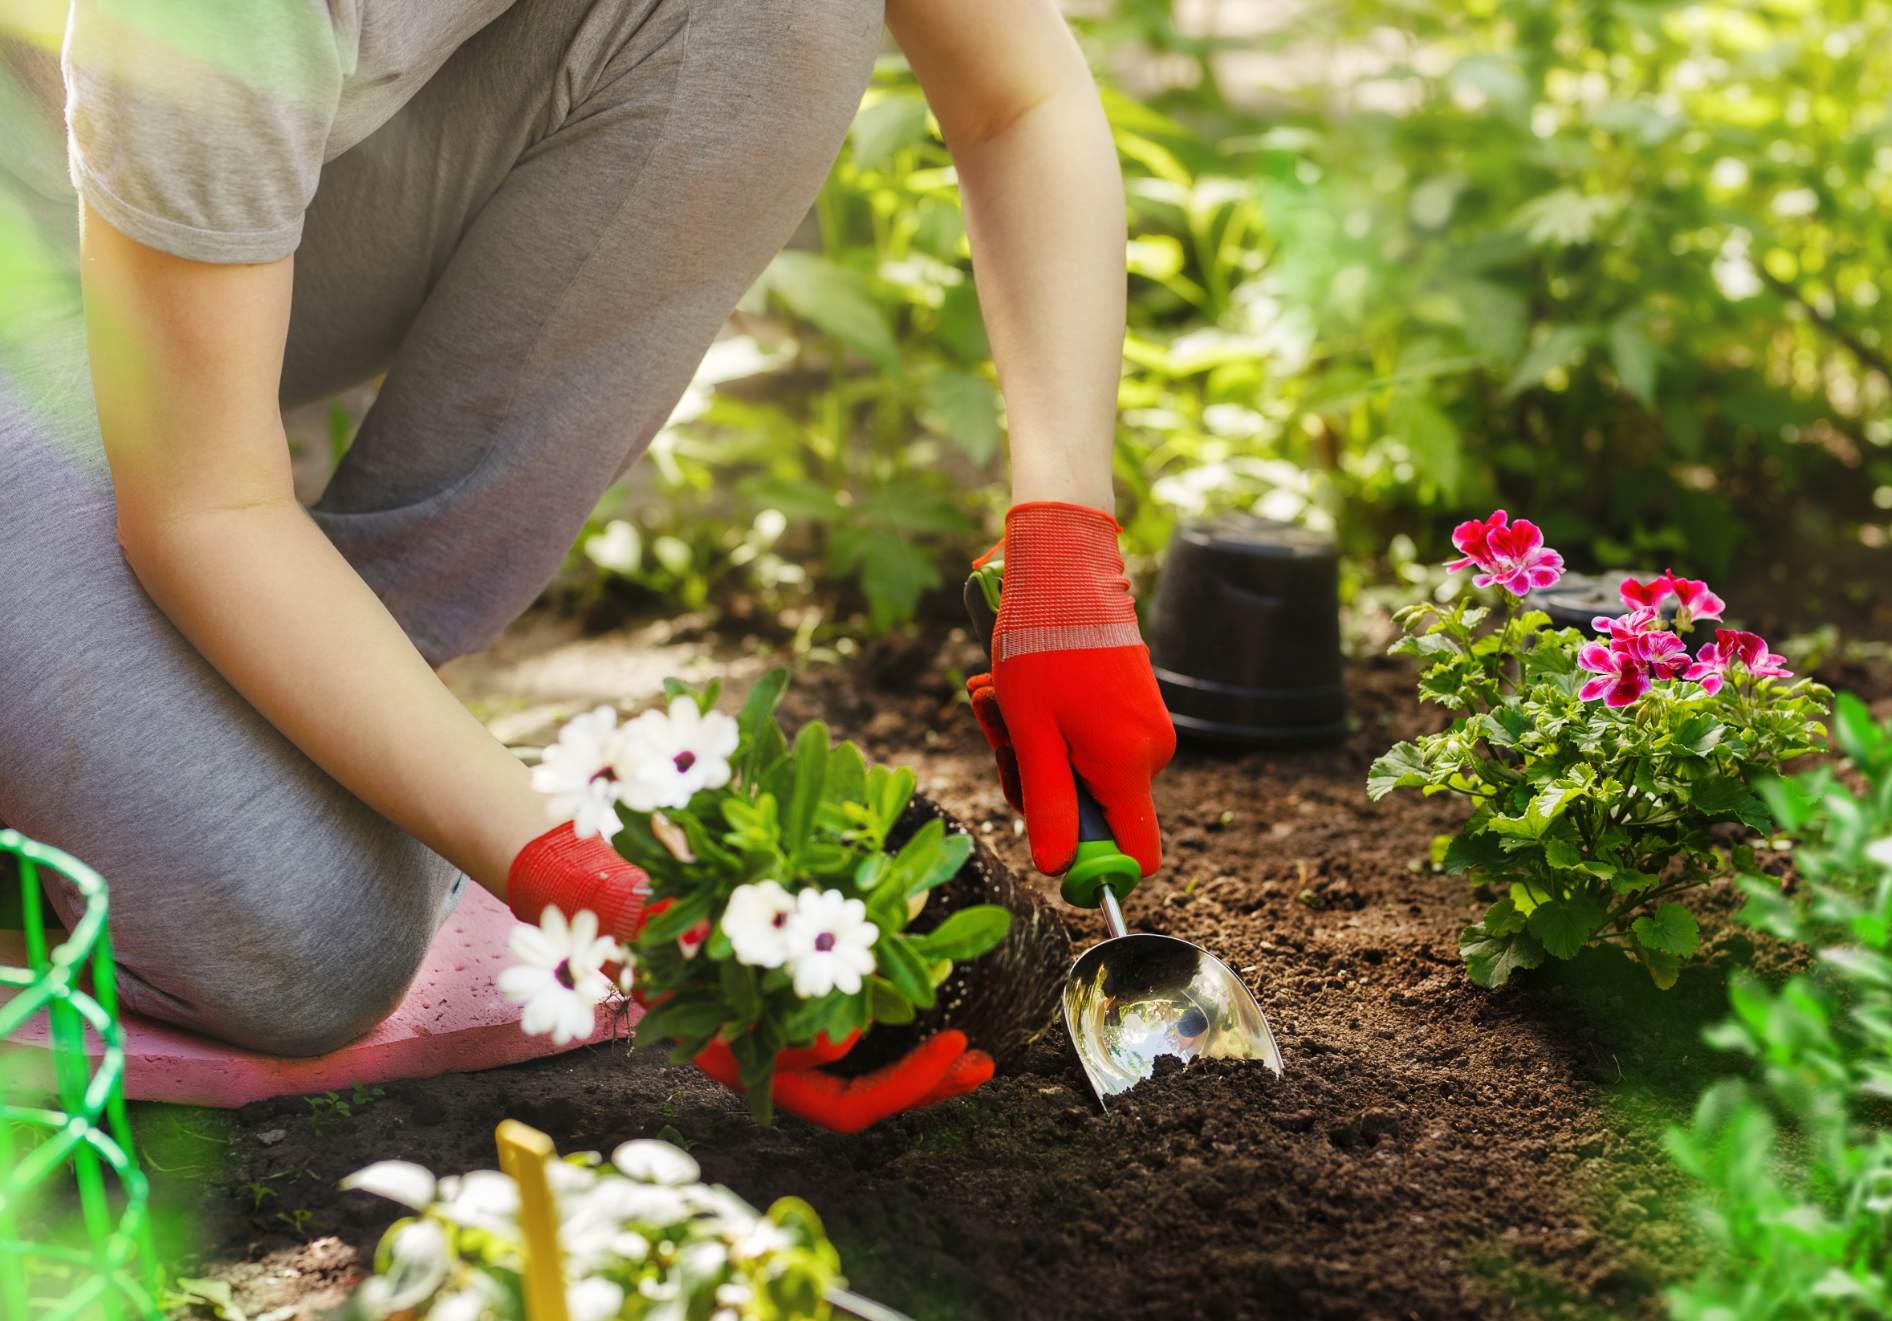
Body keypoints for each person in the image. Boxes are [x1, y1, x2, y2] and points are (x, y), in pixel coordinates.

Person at [0, 0, 1176, 1129]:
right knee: (307, 939)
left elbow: (1016, 94)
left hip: (166, 225)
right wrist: (576, 879)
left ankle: (290, 713)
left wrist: (1065, 549)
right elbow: (207, 507)